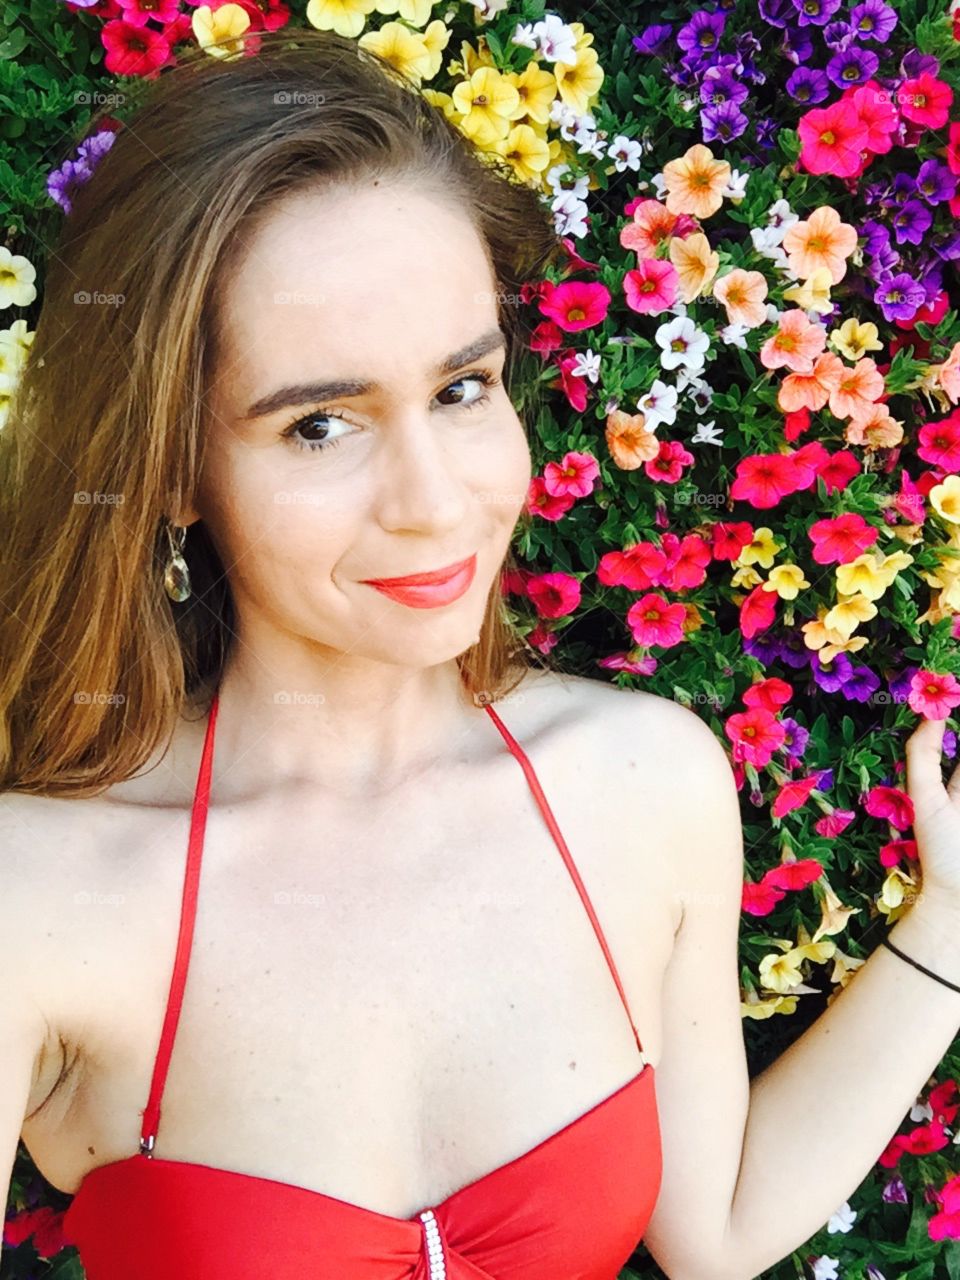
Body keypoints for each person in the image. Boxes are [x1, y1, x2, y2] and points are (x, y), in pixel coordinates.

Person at [0, 27, 687, 1280]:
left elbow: (722, 1233)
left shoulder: (644, 782)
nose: (434, 501)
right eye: (321, 424)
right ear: (170, 471)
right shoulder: (40, 897)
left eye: (463, 389)